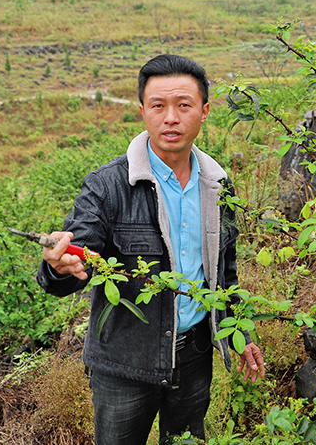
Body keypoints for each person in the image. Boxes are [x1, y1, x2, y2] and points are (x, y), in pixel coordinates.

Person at [36, 54, 264, 444]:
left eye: (183, 105)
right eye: (158, 106)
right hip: (124, 363)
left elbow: (224, 270)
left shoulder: (217, 186)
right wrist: (61, 266)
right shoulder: (107, 186)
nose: (171, 118)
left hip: (193, 356)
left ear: (204, 111)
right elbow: (76, 252)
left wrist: (238, 331)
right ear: (143, 111)